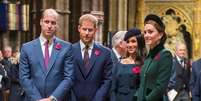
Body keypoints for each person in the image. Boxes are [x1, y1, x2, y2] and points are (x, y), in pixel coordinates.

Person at [19, 9, 74, 101]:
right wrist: (37, 99)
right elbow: (24, 77)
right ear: (41, 22)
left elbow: (69, 77)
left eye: (53, 23)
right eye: (46, 22)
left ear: (56, 25)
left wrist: (52, 98)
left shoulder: (66, 48)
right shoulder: (26, 48)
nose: (49, 26)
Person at [71, 14, 113, 101]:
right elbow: (66, 78)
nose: (86, 33)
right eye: (84, 29)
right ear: (79, 29)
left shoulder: (105, 53)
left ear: (95, 30)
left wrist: (98, 99)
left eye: (90, 30)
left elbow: (107, 80)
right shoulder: (69, 51)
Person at [137, 14, 173, 101]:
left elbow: (160, 87)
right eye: (145, 32)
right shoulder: (148, 56)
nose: (146, 35)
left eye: (150, 32)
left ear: (160, 35)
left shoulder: (165, 54)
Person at [110, 28, 145, 101]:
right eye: (128, 42)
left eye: (133, 41)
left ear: (140, 42)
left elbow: (143, 88)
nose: (130, 45)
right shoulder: (118, 64)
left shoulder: (144, 63)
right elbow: (113, 88)